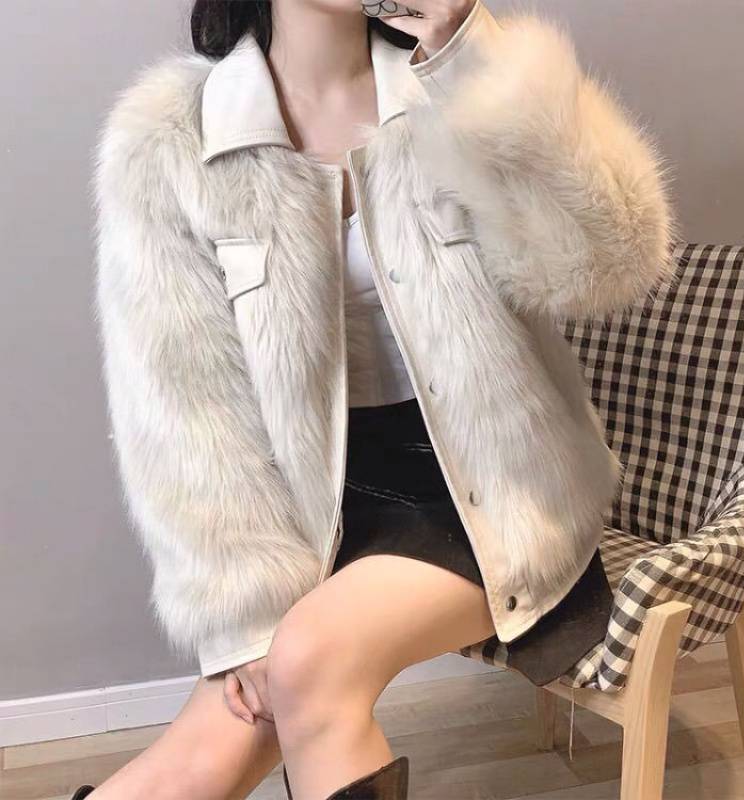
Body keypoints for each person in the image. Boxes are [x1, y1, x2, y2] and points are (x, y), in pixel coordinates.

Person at [83, 0, 676, 797]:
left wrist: (470, 57)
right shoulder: (168, 142)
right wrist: (247, 613)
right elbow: (185, 414)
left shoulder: (461, 75)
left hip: (492, 484)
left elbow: (612, 263)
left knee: (309, 663)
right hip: (313, 505)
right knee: (206, 749)